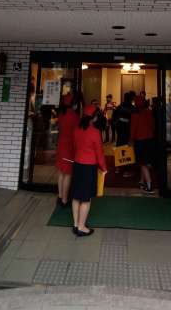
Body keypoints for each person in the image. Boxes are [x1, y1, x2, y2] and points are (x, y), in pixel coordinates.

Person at [72, 104, 107, 237]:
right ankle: (82, 227)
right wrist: (104, 168)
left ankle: (76, 224)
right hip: (89, 167)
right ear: (94, 117)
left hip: (77, 164)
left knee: (76, 196)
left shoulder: (76, 129)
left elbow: (75, 146)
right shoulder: (95, 132)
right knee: (86, 198)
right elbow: (99, 153)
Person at [55, 93, 79, 207]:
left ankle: (60, 197)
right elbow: (77, 133)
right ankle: (65, 200)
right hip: (69, 148)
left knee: (61, 172)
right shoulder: (74, 116)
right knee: (68, 174)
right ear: (73, 104)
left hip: (61, 145)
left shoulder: (61, 114)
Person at [131, 95, 156, 194]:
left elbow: (133, 129)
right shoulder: (149, 112)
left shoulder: (135, 114)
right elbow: (153, 126)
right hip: (150, 139)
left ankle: (149, 186)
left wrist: (130, 140)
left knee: (142, 162)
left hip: (140, 140)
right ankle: (142, 181)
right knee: (144, 161)